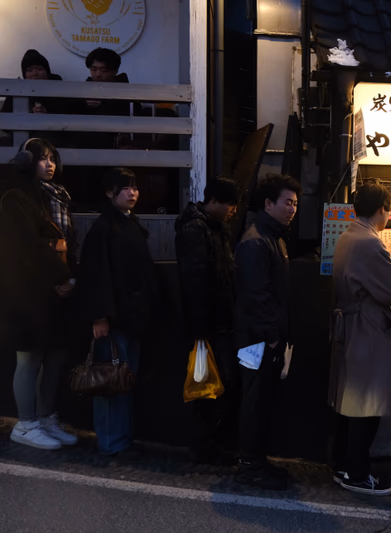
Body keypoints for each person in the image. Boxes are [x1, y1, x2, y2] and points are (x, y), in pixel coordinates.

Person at [77, 168, 161, 457]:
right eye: (125, 188)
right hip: (114, 320)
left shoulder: (128, 224)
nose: (132, 193)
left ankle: (120, 440)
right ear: (109, 193)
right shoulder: (104, 227)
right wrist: (99, 316)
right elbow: (94, 274)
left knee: (122, 381)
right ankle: (112, 442)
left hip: (131, 317)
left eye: (135, 188)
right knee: (111, 381)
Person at [0, 139, 77, 450]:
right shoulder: (16, 196)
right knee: (29, 356)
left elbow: (64, 241)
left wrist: (66, 271)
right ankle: (26, 422)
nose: (50, 164)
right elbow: (27, 246)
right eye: (42, 158)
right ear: (26, 161)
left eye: (53, 158)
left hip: (55, 287)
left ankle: (46, 417)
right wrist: (61, 269)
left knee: (55, 353)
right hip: (27, 289)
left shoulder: (55, 196)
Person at [329, 181, 391, 497]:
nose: (390, 216)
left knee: (353, 401)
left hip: (351, 326)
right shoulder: (371, 243)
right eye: (390, 210)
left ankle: (344, 466)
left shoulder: (349, 235)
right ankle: (358, 474)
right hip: (368, 328)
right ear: (381, 209)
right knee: (368, 403)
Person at [234, 174, 301, 490]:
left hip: (266, 338)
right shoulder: (256, 241)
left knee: (263, 402)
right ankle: (249, 465)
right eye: (287, 202)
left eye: (296, 204)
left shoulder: (273, 237)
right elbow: (256, 295)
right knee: (255, 401)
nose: (292, 209)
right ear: (268, 204)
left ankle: (257, 461)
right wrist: (273, 336)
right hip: (256, 341)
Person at [175, 177, 240, 464]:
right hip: (208, 326)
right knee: (209, 386)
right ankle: (206, 446)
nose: (233, 210)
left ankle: (212, 444)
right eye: (229, 204)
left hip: (221, 322)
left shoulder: (215, 227)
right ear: (213, 201)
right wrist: (200, 330)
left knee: (216, 385)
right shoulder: (195, 229)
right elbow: (194, 281)